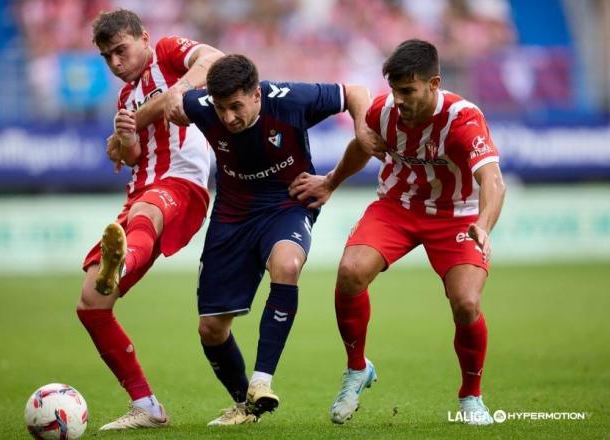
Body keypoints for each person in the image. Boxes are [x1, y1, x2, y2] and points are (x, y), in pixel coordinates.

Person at [120, 53, 373, 425]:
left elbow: (355, 92)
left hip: (287, 202)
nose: (228, 118)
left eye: (236, 106)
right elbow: (171, 102)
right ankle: (245, 406)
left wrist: (361, 136)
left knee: (286, 264)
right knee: (211, 328)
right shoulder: (202, 106)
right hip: (232, 213)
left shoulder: (290, 100)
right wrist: (133, 126)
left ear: (257, 94)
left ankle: (261, 381)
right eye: (221, 108)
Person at [289, 39, 506, 425]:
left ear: (434, 83)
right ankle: (357, 368)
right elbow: (362, 145)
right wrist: (331, 182)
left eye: (408, 91)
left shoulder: (463, 120)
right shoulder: (383, 111)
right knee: (350, 271)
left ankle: (471, 396)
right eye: (394, 90)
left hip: (457, 216)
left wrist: (484, 225)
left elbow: (493, 181)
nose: (399, 100)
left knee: (466, 303)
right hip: (397, 206)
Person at [76, 9, 223, 431]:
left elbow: (215, 58)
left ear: (143, 38)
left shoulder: (167, 52)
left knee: (145, 212)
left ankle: (119, 263)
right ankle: (146, 406)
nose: (116, 63)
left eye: (121, 50)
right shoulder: (124, 101)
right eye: (107, 57)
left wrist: (175, 91)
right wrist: (123, 139)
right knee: (91, 305)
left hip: (180, 184)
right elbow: (133, 157)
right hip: (141, 193)